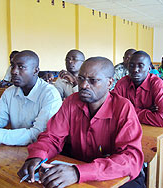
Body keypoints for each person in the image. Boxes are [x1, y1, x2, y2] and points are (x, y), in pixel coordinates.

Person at [18, 57, 145, 188]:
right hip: (80, 169)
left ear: (109, 83)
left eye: (93, 81)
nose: (84, 85)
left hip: (117, 176)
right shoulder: (71, 102)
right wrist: (37, 156)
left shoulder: (123, 107)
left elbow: (130, 159)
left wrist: (78, 172)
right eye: (81, 78)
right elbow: (52, 137)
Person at [0, 50, 62, 146]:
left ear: (35, 71)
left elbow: (37, 135)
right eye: (12, 66)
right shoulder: (10, 92)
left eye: (21, 67)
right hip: (15, 149)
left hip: (41, 154)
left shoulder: (50, 95)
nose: (14, 72)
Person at [113, 51, 163, 127]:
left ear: (149, 68)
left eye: (141, 66)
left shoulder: (157, 84)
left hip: (154, 131)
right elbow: (113, 111)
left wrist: (127, 111)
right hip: (128, 128)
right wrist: (147, 111)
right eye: (131, 65)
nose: (135, 69)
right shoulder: (122, 83)